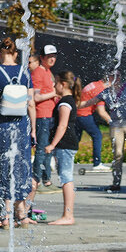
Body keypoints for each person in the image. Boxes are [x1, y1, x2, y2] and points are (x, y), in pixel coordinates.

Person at [0, 37, 36, 227]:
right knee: (21, 166)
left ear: (0, 53)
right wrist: (33, 129)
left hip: (1, 127)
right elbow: (31, 104)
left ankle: (7, 214)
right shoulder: (25, 71)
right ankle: (22, 213)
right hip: (21, 127)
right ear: (16, 54)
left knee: (3, 168)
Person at [45, 71, 80, 226]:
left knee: (66, 178)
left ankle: (68, 215)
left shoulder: (65, 102)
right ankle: (67, 214)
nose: (54, 85)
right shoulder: (68, 100)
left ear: (63, 84)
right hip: (67, 144)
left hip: (65, 143)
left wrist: (52, 144)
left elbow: (63, 125)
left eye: (56, 82)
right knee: (65, 177)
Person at [30, 44, 59, 190]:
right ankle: (37, 180)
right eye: (49, 56)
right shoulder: (38, 72)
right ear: (42, 58)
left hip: (50, 115)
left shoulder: (48, 72)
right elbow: (35, 97)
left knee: (48, 149)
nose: (52, 59)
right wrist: (54, 93)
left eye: (54, 56)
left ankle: (46, 179)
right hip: (42, 116)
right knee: (41, 149)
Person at [76, 80, 112, 171]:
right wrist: (113, 123)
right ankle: (97, 163)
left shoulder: (94, 84)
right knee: (97, 136)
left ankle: (59, 160)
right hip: (85, 115)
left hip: (77, 115)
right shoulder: (100, 90)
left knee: (76, 139)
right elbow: (101, 111)